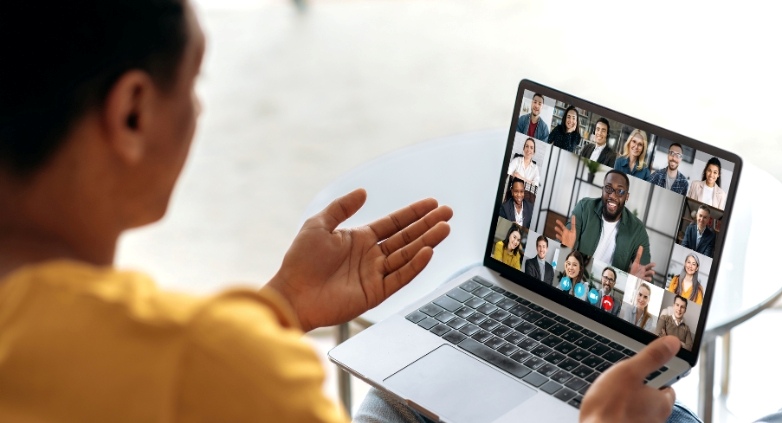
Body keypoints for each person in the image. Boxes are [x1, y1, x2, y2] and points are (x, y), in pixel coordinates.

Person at [0, 2, 702, 423]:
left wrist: (280, 303)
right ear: (130, 112)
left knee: (405, 399)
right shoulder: (216, 369)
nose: (199, 109)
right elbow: (195, 377)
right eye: (195, 81)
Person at [554, 170, 655, 281]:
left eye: (620, 191)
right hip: (576, 275)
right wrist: (567, 248)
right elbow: (562, 252)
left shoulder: (638, 230)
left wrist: (632, 280)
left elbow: (645, 275)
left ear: (627, 196)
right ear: (602, 190)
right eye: (608, 188)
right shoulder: (584, 207)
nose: (612, 195)